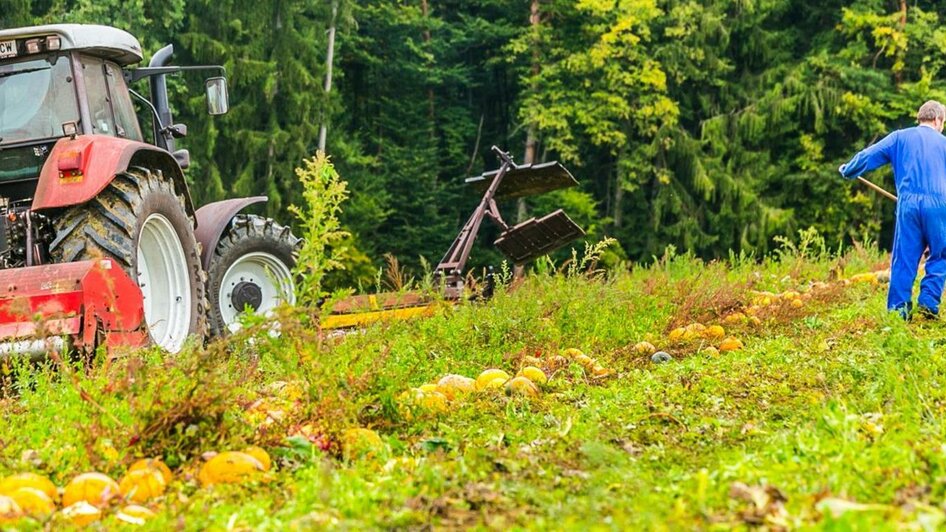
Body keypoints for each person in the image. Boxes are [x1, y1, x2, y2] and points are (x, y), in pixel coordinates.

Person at [839, 100, 946, 319]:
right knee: (941, 253)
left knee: (904, 258)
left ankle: (898, 313)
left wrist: (849, 169)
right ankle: (928, 302)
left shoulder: (899, 137)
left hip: (907, 205)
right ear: (937, 120)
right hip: (939, 205)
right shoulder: (944, 144)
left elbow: (869, 154)